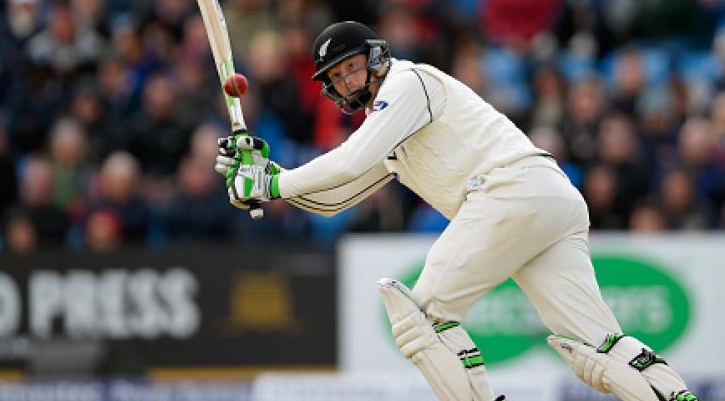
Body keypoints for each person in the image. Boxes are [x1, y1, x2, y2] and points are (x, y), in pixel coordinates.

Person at [214, 21, 698, 401]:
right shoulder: (391, 129)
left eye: (351, 66)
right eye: (336, 77)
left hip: (509, 192)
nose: (346, 80)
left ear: (376, 57)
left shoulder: (408, 83)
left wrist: (273, 181)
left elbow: (351, 158)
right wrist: (262, 181)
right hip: (548, 199)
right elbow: (336, 198)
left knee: (421, 317)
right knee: (597, 345)